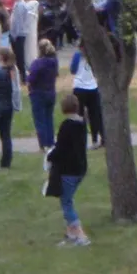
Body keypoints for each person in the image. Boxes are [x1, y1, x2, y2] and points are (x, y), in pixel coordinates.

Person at [45, 94, 91, 247]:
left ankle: (80, 235)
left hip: (68, 170)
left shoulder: (67, 126)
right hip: (80, 168)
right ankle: (70, 233)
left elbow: (61, 149)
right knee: (68, 198)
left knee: (66, 202)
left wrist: (50, 156)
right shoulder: (81, 124)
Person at [27, 40, 59, 151]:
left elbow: (31, 79)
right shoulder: (54, 62)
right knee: (49, 118)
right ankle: (50, 142)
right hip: (51, 92)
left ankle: (43, 144)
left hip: (38, 93)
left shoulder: (38, 63)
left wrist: (28, 76)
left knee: (40, 120)